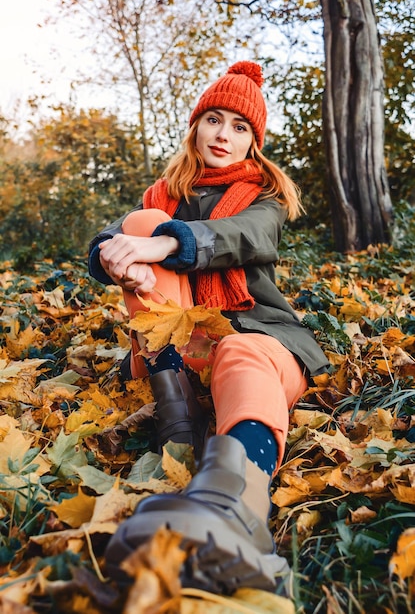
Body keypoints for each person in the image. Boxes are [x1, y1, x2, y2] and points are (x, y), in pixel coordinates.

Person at [88, 61, 329, 595]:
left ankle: (236, 503)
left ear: (253, 142)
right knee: (138, 224)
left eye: (240, 127)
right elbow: (116, 236)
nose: (224, 134)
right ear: (196, 125)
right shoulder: (164, 191)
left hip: (259, 340)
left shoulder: (265, 199)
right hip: (183, 349)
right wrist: (119, 257)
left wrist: (169, 243)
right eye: (214, 119)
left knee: (240, 351)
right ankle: (178, 420)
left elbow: (246, 236)